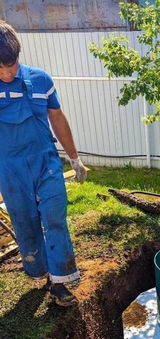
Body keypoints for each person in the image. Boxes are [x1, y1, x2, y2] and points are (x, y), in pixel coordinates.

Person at [0, 20, 87, 306]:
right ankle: (39, 271)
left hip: (45, 164)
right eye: (0, 68)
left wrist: (74, 158)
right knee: (25, 223)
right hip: (10, 169)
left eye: (11, 65)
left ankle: (61, 281)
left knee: (54, 217)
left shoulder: (41, 81)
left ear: (18, 56)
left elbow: (58, 119)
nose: (7, 72)